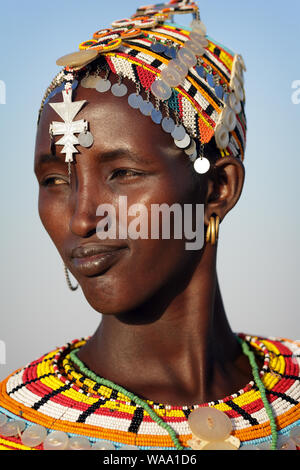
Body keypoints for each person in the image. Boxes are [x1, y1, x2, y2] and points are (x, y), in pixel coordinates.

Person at [0, 0, 299, 452]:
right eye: (56, 181)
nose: (81, 218)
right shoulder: (20, 429)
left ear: (217, 188)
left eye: (123, 174)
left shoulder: (291, 388)